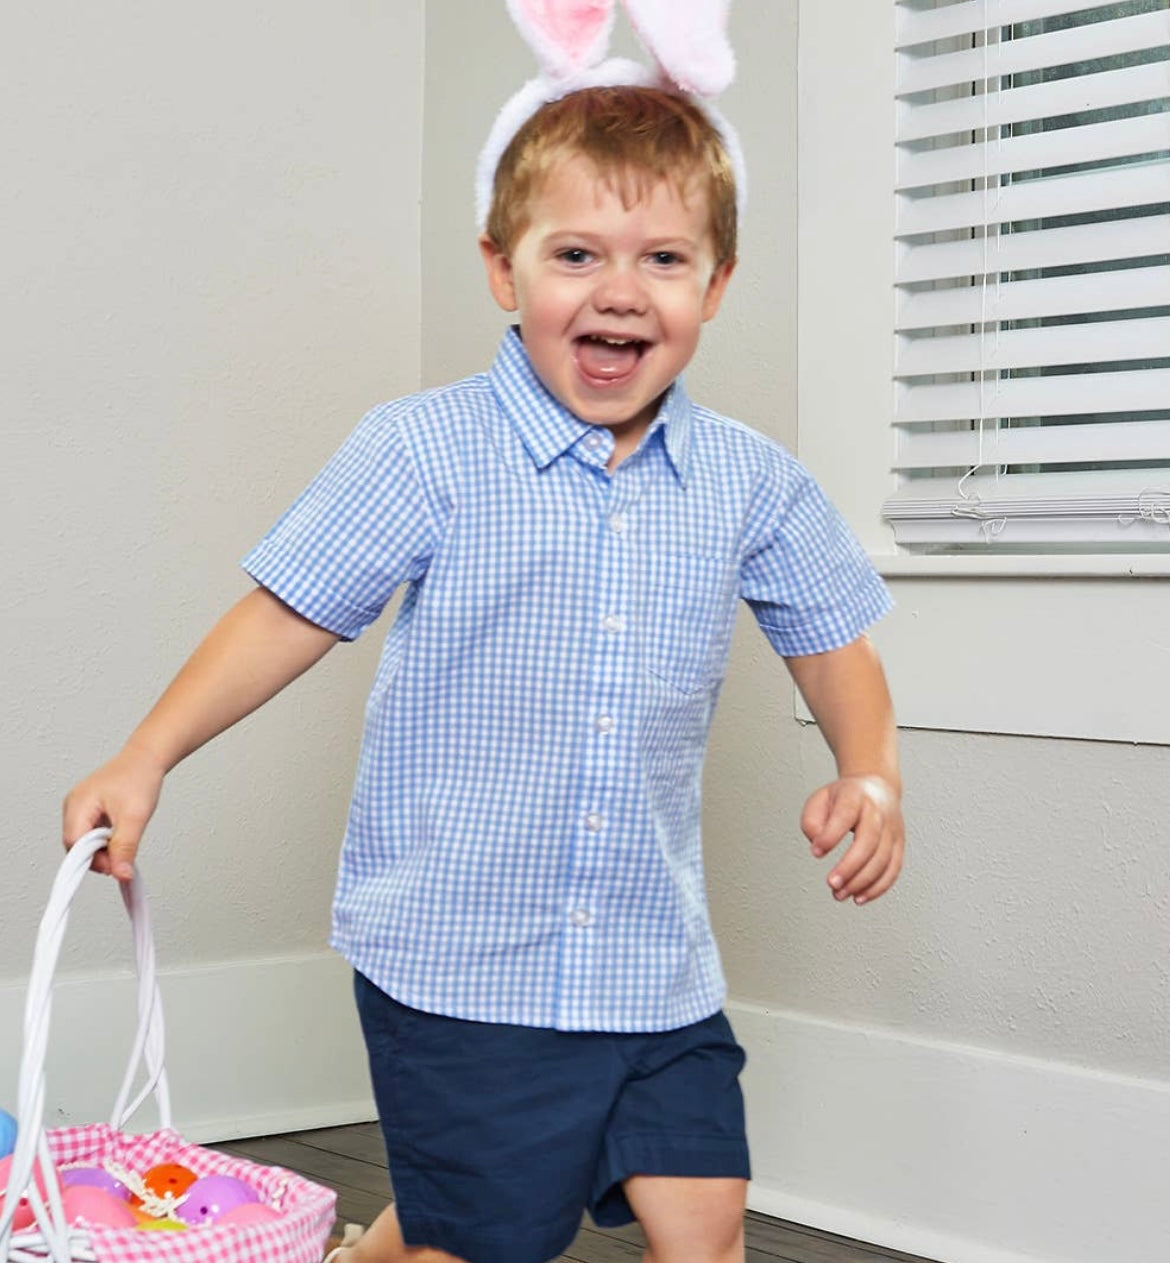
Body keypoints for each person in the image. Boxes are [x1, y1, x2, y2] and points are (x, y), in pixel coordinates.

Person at [64, 72, 903, 1263]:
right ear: (504, 271)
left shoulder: (750, 481)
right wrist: (144, 757)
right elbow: (285, 614)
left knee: (705, 1219)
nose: (620, 291)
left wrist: (870, 773)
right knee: (483, 1237)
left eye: (665, 260)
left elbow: (834, 638)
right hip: (465, 967)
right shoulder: (425, 451)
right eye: (576, 255)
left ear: (716, 286)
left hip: (653, 967)